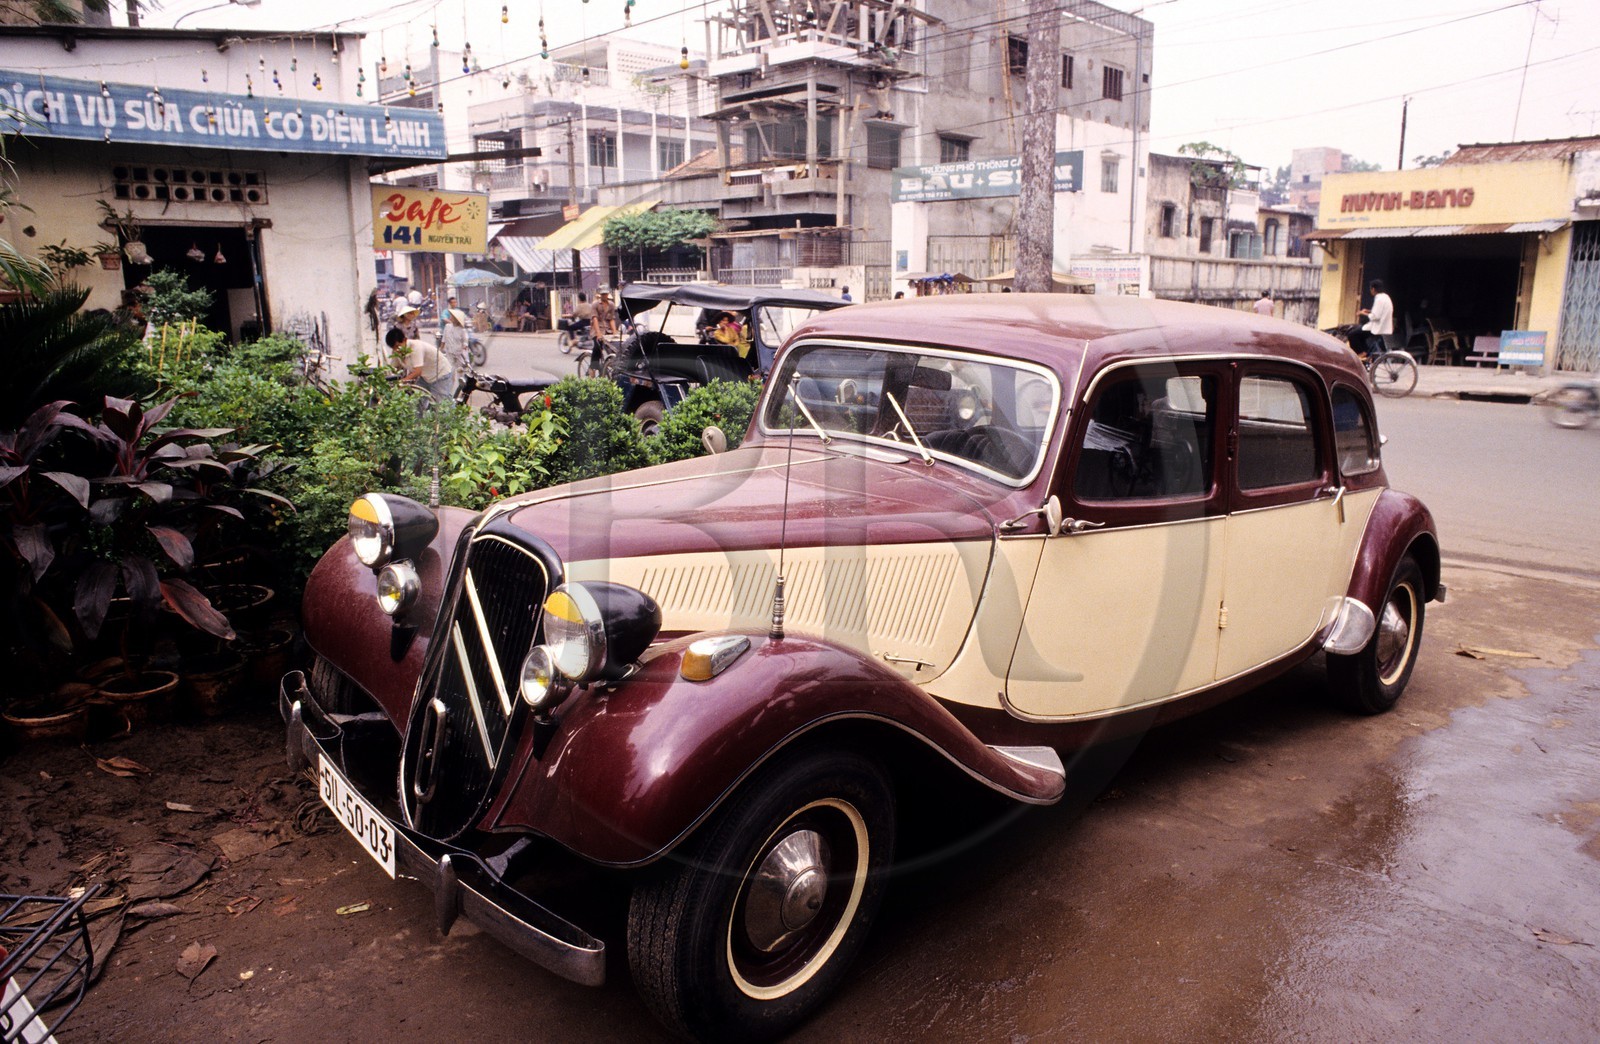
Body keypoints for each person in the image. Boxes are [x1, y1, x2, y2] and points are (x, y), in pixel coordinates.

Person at [386, 326, 455, 401]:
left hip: (440, 374)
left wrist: (402, 381)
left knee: (442, 403)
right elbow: (393, 368)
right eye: (393, 348)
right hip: (425, 377)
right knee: (417, 401)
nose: (396, 350)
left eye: (398, 346)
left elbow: (418, 371)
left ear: (404, 340)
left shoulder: (416, 347)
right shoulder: (397, 352)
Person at [1358, 279, 1394, 355]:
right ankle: (1365, 352)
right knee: (1359, 330)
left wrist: (1362, 313)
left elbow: (1375, 316)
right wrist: (1368, 311)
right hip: (1385, 327)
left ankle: (1362, 352)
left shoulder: (1379, 299)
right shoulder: (1386, 297)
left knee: (1353, 334)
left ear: (1373, 289)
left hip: (1378, 328)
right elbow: (1380, 311)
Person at [440, 307, 470, 372]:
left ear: (456, 319)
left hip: (459, 353)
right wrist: (441, 349)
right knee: (450, 369)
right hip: (449, 352)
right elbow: (444, 339)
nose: (450, 317)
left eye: (452, 317)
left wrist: (465, 345)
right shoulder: (447, 327)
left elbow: (465, 340)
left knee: (460, 370)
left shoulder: (462, 330)